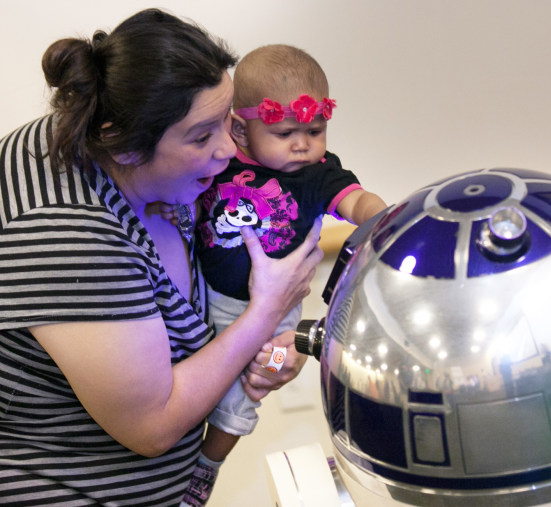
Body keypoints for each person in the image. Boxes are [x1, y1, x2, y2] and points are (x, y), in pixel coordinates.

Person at [0, 9, 322, 506]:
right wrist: (264, 314)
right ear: (121, 143)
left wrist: (284, 349)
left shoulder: (115, 137)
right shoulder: (67, 235)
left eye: (228, 120)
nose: (227, 149)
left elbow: (254, 347)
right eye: (201, 136)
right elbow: (151, 426)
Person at [191, 43, 387, 500]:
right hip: (207, 293)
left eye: (315, 130)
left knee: (259, 377)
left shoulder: (317, 174)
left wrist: (384, 216)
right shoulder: (218, 162)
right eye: (285, 133)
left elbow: (356, 201)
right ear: (240, 130)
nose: (303, 144)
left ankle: (208, 464)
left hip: (277, 309)